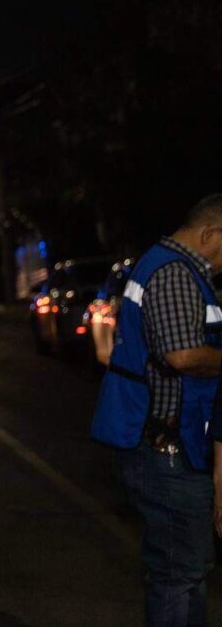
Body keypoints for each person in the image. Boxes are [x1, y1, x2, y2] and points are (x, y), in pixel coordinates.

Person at [91, 193, 222, 627]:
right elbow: (182, 355)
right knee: (177, 575)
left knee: (184, 572)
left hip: (166, 446)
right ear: (210, 233)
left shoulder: (164, 265)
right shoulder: (173, 273)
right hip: (165, 452)